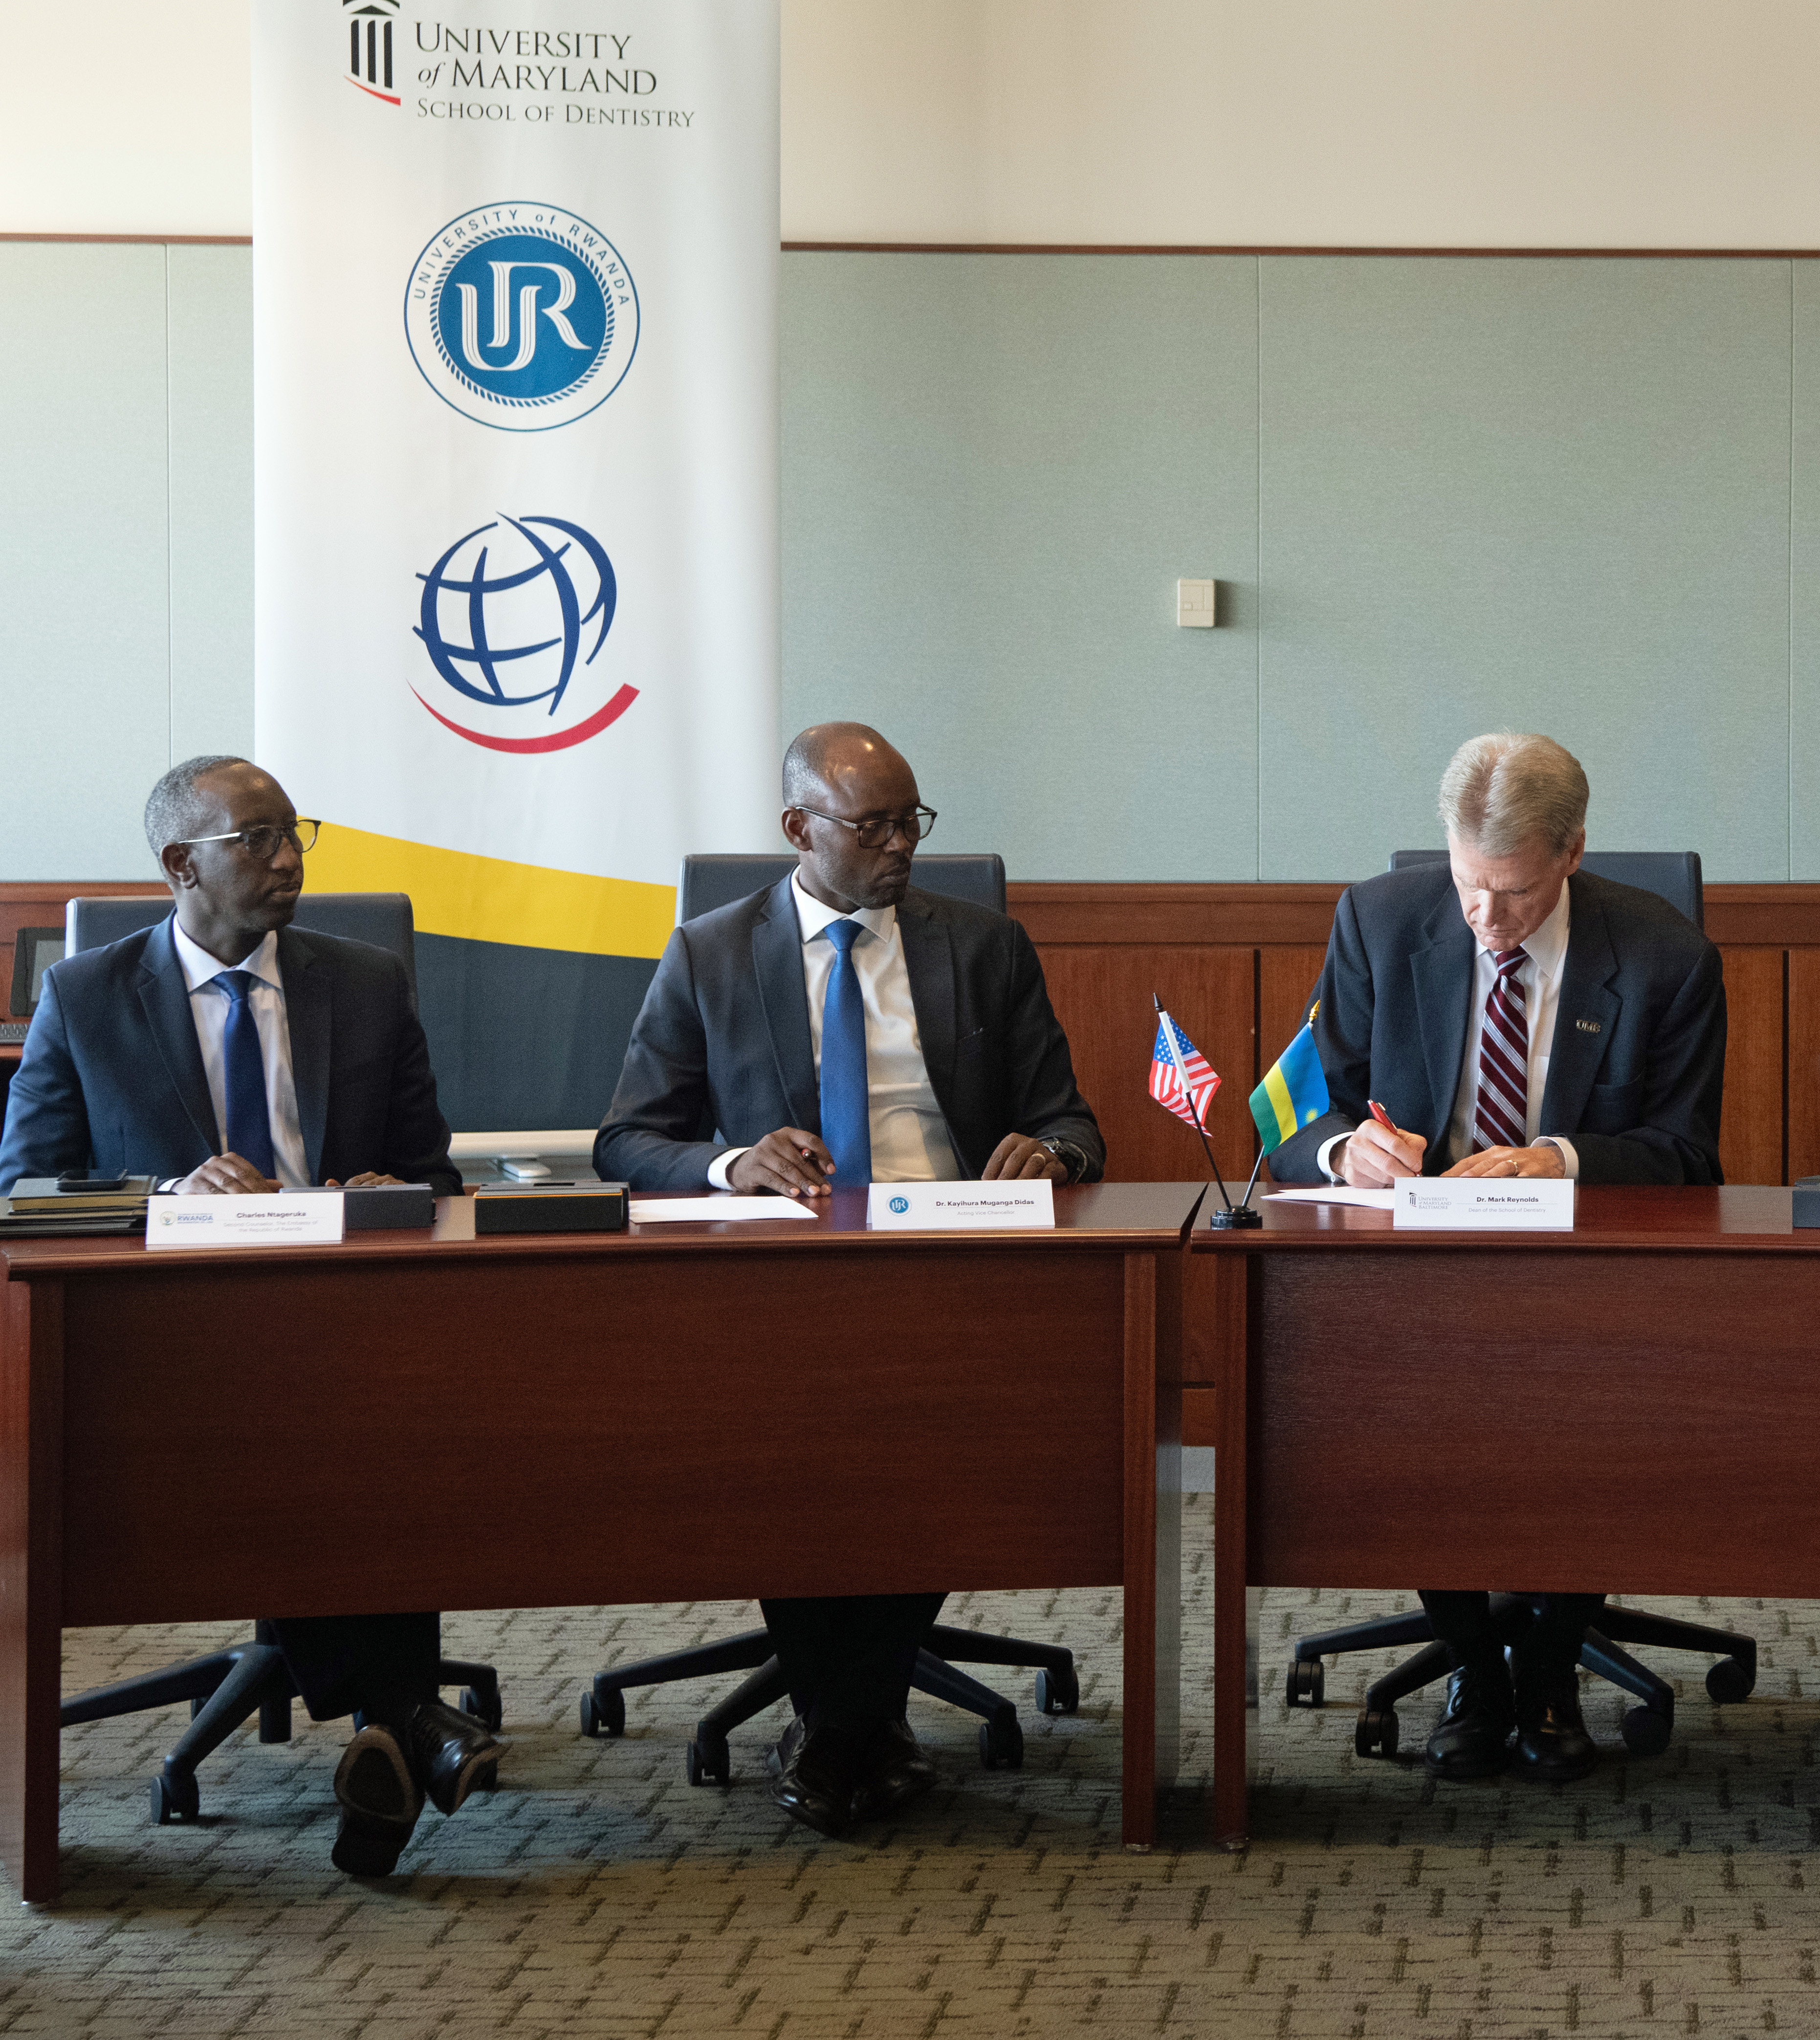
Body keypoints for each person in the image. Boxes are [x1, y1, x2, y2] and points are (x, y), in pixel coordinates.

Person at [594, 722, 1104, 1837]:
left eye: (912, 822)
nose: (900, 847)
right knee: (801, 1454)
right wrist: (731, 1165)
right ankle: (860, 1728)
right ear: (798, 829)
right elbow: (629, 1142)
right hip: (787, 1281)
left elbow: (1071, 1120)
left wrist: (1051, 1152)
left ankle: (838, 1730)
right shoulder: (711, 953)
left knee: (929, 1443)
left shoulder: (983, 948)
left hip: (954, 1263)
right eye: (871, 825)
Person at [0, 756, 493, 1879]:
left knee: (360, 1424)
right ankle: (409, 1717)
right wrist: (171, 1195)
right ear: (182, 865)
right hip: (177, 1342)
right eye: (260, 839)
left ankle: (394, 1727)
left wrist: (391, 1193)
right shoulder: (88, 997)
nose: (291, 860)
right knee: (325, 1444)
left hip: (346, 1323)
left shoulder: (363, 983)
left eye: (295, 834)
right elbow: (25, 1189)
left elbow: (434, 1173)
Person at [1260, 731, 1726, 1783]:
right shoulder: (1379, 923)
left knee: (1589, 1409)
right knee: (1407, 1404)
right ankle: (1474, 1667)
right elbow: (1295, 1118)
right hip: (1416, 1270)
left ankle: (1553, 1670)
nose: (1485, 917)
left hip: (1589, 1274)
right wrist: (1346, 1147)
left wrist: (1559, 1159)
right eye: (1469, 885)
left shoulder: (1666, 957)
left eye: (1512, 894)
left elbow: (1690, 1157)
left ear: (1572, 853)